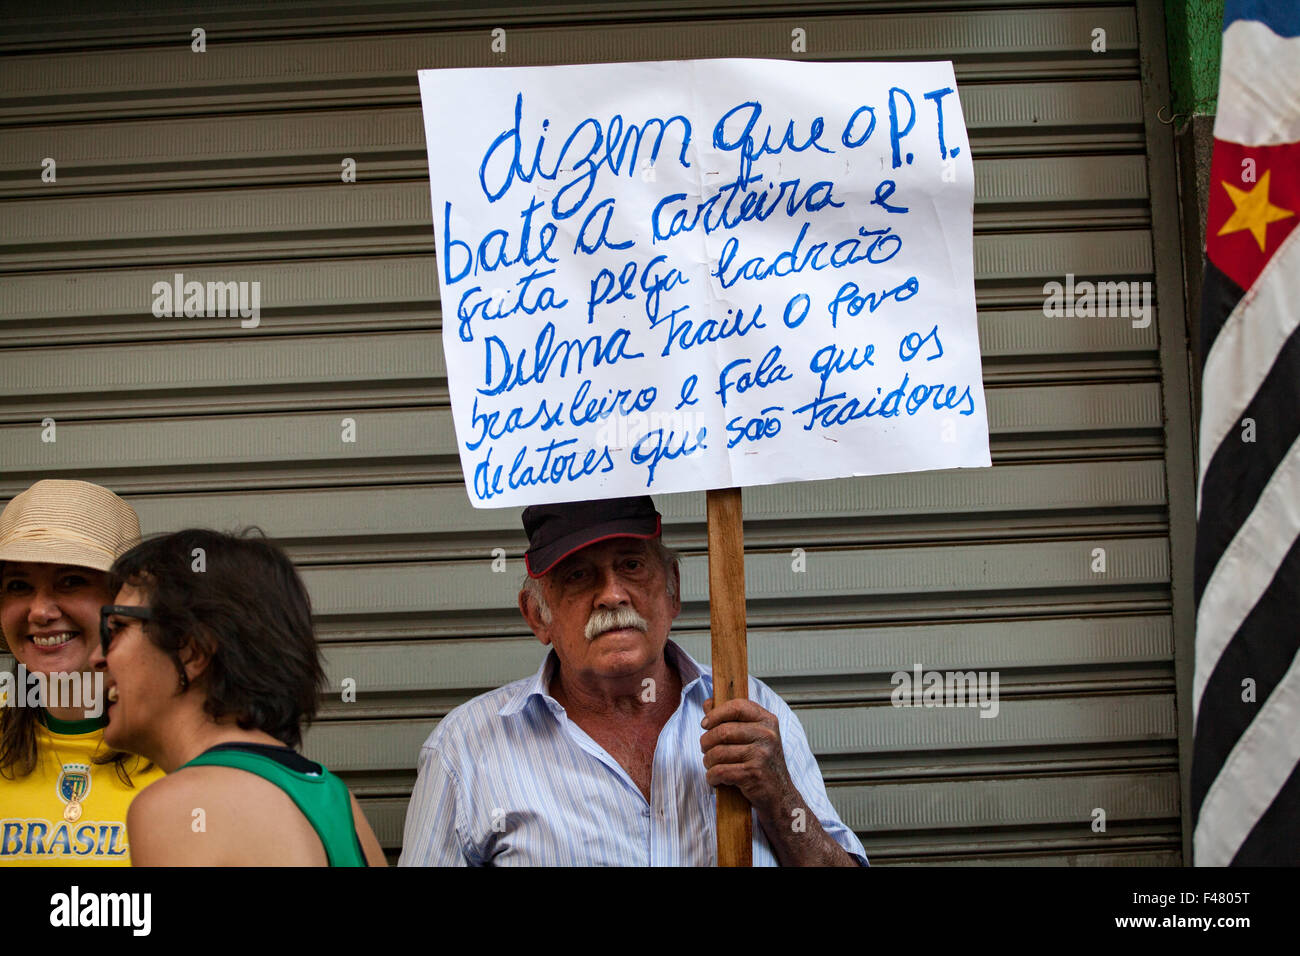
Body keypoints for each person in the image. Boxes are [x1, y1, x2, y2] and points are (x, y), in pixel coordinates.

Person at [399, 495, 868, 866]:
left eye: (631, 565)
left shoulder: (753, 712)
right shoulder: (465, 750)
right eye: (579, 575)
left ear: (673, 590)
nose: (611, 594)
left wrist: (779, 799)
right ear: (537, 616)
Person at [88, 528, 386, 866]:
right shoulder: (336, 801)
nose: (96, 657)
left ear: (192, 650)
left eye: (116, 628)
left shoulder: (180, 805)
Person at [0, 479, 164, 866]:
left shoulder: (182, 746)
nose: (39, 612)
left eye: (71, 581)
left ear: (124, 601)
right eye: (18, 585)